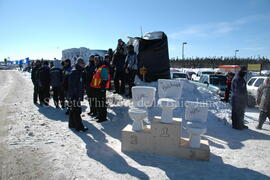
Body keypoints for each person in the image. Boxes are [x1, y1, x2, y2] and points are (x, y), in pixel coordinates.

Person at [68, 58, 88, 131]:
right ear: (79, 63)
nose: (84, 65)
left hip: (75, 94)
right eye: (82, 63)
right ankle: (79, 127)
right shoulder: (75, 72)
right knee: (77, 110)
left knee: (73, 110)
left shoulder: (79, 71)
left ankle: (71, 124)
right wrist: (75, 95)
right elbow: (73, 85)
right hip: (75, 95)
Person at [90, 55, 110, 123]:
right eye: (95, 60)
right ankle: (99, 115)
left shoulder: (103, 67)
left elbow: (104, 79)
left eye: (97, 60)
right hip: (96, 88)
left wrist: (102, 88)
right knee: (98, 102)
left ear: (100, 60)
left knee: (101, 103)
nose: (95, 61)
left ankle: (103, 117)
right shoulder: (97, 67)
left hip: (101, 88)